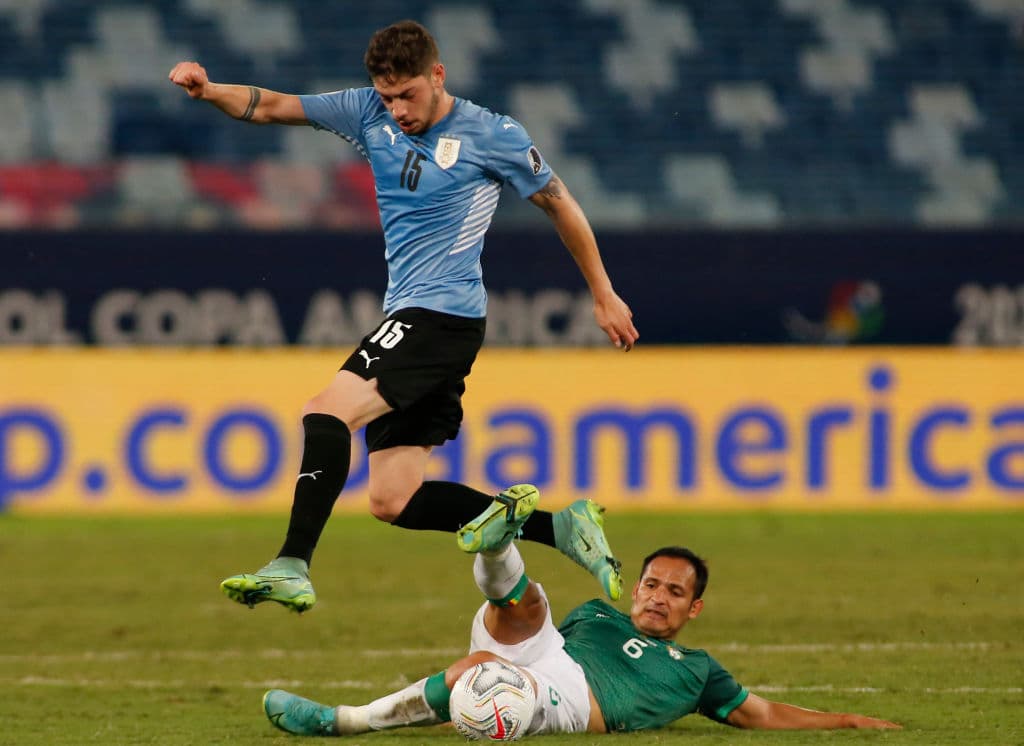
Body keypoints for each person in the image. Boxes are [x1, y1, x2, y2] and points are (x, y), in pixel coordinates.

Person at [168, 20, 639, 612]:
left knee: (325, 411)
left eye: (407, 95)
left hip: (439, 317)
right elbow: (273, 107)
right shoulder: (367, 112)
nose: (396, 110)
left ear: (438, 76)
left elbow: (560, 204)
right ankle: (564, 529)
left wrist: (602, 293)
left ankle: (292, 562)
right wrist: (210, 90)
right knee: (393, 499)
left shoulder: (493, 134)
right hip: (424, 320)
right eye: (387, 96)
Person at [262, 493, 901, 736]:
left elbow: (761, 714)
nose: (655, 596)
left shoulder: (699, 672)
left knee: (479, 670)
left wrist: (843, 719)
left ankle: (342, 722)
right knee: (525, 600)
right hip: (552, 657)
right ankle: (499, 544)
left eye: (674, 593)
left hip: (580, 701)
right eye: (650, 583)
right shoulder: (600, 612)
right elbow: (534, 640)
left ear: (694, 608)